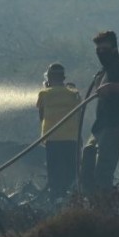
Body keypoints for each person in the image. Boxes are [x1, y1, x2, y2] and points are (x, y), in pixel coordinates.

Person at [80, 30, 119, 193]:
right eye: (98, 50)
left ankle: (106, 210)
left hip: (114, 127)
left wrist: (112, 87)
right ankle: (88, 207)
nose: (101, 53)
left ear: (114, 49)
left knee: (102, 174)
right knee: (86, 164)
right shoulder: (101, 72)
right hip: (98, 128)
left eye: (104, 49)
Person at [36, 62, 82, 200]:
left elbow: (41, 115)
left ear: (49, 78)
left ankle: (55, 200)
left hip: (52, 139)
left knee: (54, 174)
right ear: (63, 78)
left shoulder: (44, 94)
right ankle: (72, 201)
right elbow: (80, 112)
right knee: (70, 173)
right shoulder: (74, 94)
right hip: (71, 139)